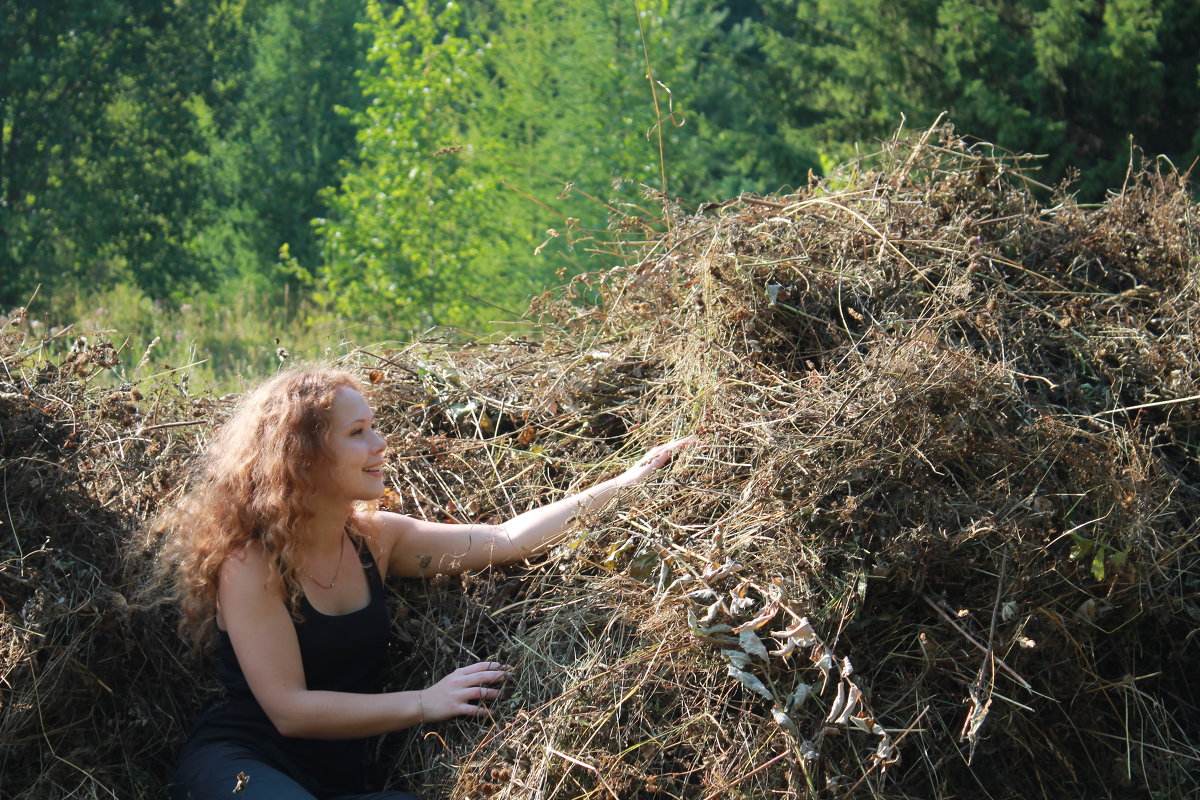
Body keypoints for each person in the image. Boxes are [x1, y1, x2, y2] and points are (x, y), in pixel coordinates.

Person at [150, 365, 691, 800]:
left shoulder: (376, 540)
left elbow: (504, 539)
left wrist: (626, 483)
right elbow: (290, 711)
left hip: (337, 783)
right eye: (358, 433)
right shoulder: (252, 563)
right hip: (242, 767)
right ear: (305, 458)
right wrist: (425, 702)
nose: (380, 443)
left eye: (375, 427)